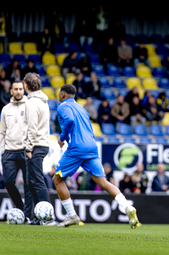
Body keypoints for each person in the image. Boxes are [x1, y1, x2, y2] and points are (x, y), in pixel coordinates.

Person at [52, 84, 139, 228]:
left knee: (57, 179)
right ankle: (127, 207)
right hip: (92, 147)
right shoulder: (82, 109)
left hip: (77, 148)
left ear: (62, 95)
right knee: (103, 182)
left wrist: (62, 138)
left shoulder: (62, 106)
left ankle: (72, 215)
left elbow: (69, 120)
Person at [0, 81, 33, 223]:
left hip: (25, 151)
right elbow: (2, 132)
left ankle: (27, 215)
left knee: (28, 184)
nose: (18, 91)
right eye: (16, 89)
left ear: (24, 90)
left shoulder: (29, 106)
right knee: (8, 182)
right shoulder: (5, 109)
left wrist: (30, 147)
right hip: (9, 152)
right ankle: (19, 208)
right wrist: (2, 150)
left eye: (20, 89)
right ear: (11, 91)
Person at [23, 73, 53, 225]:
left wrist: (28, 148)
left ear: (26, 86)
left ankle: (47, 217)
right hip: (42, 144)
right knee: (31, 182)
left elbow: (32, 127)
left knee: (37, 181)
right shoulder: (43, 101)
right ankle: (38, 217)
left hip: (35, 146)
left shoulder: (32, 102)